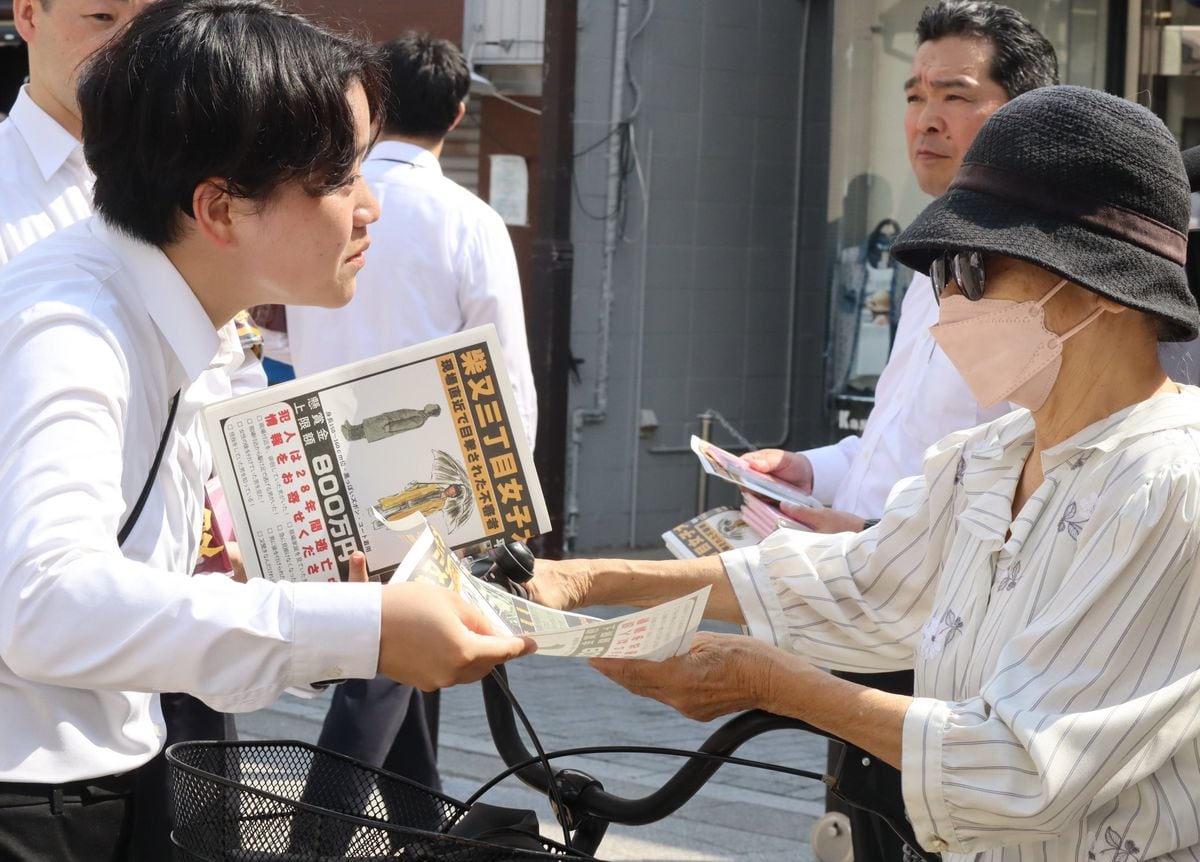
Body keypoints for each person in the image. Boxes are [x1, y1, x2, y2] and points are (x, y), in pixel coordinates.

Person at [531, 85, 1200, 861]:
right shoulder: (992, 456)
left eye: (974, 269)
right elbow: (857, 581)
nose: (948, 299)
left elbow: (1026, 769)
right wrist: (584, 583)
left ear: (1098, 285)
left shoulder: (1169, 484)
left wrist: (773, 683)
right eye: (942, 271)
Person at [0, 2, 533, 859]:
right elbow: (43, 602)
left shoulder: (150, 294)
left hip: (112, 751)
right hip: (36, 792)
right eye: (339, 178)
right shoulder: (73, 324)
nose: (369, 210)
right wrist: (364, 627)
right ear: (219, 210)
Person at [743, 4, 1057, 857]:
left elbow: (1040, 480)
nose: (925, 117)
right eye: (915, 93)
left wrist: (883, 534)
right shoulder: (935, 265)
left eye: (955, 95)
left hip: (954, 654)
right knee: (857, 833)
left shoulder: (1041, 283)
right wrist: (807, 468)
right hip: (870, 613)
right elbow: (900, 437)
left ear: (1021, 115)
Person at [286, 33, 538, 800]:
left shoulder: (319, 208)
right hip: (436, 481)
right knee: (382, 669)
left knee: (402, 667)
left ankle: (419, 830)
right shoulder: (468, 220)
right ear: (459, 114)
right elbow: (505, 373)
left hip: (327, 455)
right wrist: (508, 502)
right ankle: (315, 843)